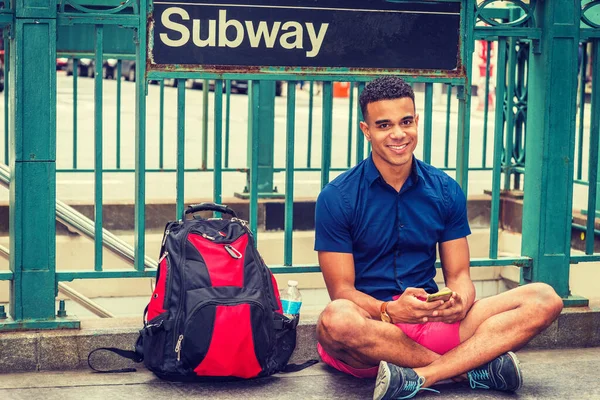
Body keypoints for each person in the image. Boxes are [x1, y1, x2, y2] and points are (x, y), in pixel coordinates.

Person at [314, 76, 563, 399]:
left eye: (406, 121)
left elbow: (459, 276)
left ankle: (423, 375)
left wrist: (459, 300)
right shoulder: (337, 197)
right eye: (384, 125)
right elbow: (342, 291)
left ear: (417, 121)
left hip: (431, 321)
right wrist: (390, 312)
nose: (398, 134)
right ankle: (468, 370)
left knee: (544, 298)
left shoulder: (444, 190)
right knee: (336, 320)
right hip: (372, 331)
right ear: (366, 130)